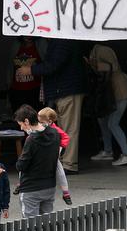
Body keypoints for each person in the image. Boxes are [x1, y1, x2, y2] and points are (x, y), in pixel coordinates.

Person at [18, 39, 87, 172]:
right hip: (64, 90)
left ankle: (69, 164)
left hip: (67, 89)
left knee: (69, 128)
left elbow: (54, 65)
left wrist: (31, 69)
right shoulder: (61, 41)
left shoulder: (62, 41)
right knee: (65, 128)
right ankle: (65, 161)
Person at [88, 43, 127, 166]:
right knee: (103, 120)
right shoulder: (99, 49)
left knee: (112, 123)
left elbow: (112, 66)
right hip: (115, 90)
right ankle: (108, 151)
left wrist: (93, 64)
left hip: (120, 90)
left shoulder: (102, 49)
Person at [13, 104, 61, 217]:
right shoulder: (54, 133)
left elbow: (21, 165)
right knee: (46, 225)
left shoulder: (31, 140)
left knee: (31, 226)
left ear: (26, 121)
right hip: (49, 186)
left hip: (31, 188)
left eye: (21, 125)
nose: (21, 128)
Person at [38, 106, 73, 206]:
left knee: (61, 173)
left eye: (41, 122)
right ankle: (22, 184)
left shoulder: (55, 130)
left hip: (53, 154)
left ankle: (66, 193)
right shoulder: (40, 128)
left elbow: (66, 137)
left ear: (49, 121)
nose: (39, 124)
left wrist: (60, 148)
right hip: (41, 154)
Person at [9, 35, 42, 111]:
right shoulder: (16, 46)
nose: (28, 36)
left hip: (35, 88)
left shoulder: (39, 46)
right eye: (25, 35)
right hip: (17, 88)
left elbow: (45, 64)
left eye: (30, 34)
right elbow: (9, 64)